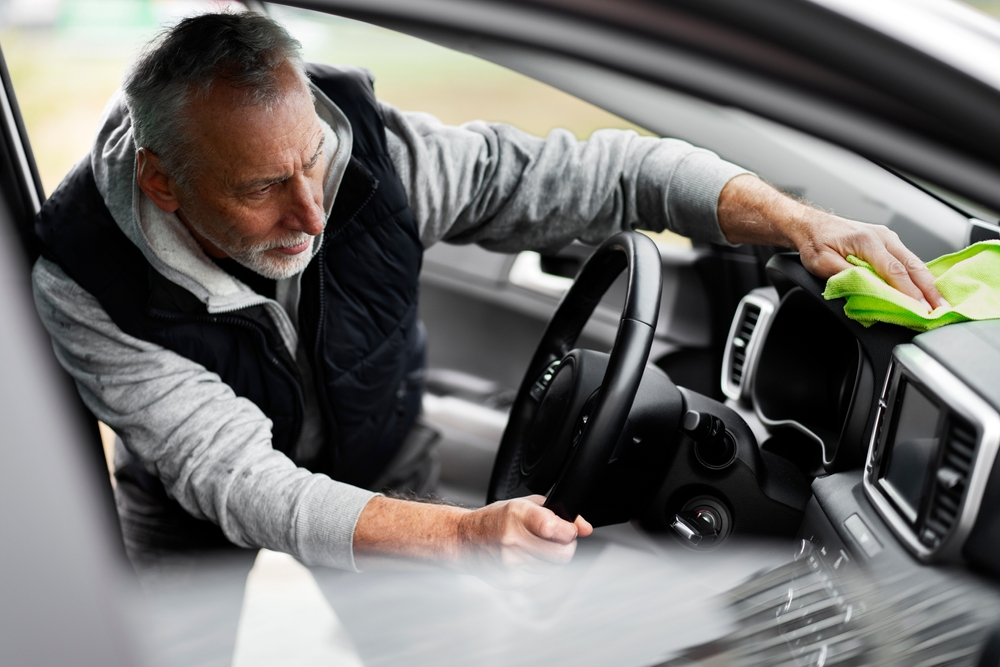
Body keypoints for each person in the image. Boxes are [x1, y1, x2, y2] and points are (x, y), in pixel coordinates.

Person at [31, 11, 944, 573]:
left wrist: (798, 222)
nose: (312, 211)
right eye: (260, 188)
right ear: (161, 183)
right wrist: (462, 538)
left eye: (309, 159)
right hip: (193, 513)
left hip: (388, 451)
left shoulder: (373, 156)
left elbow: (609, 175)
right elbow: (243, 479)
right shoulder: (84, 282)